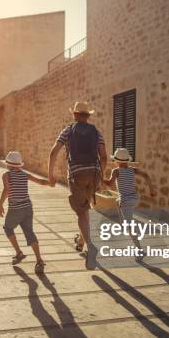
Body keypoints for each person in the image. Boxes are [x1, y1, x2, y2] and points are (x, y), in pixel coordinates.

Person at [48, 101, 107, 270]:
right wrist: (100, 175)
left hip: (77, 174)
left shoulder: (68, 130)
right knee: (85, 208)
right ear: (88, 116)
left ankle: (91, 246)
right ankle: (81, 241)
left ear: (74, 115)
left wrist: (50, 175)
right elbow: (103, 156)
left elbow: (54, 152)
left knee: (81, 212)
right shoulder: (97, 132)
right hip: (94, 173)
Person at [0, 151, 50, 274]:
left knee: (8, 228)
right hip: (28, 208)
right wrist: (50, 182)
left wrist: (0, 204)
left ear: (8, 165)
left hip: (16, 209)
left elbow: (7, 190)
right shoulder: (25, 175)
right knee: (29, 232)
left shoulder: (6, 175)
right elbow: (41, 182)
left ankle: (19, 253)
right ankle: (39, 260)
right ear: (19, 165)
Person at [104, 147, 156, 240]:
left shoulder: (116, 171)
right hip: (135, 199)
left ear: (117, 161)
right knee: (117, 201)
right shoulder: (133, 169)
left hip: (126, 201)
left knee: (130, 227)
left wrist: (100, 178)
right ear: (127, 160)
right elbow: (146, 175)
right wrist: (151, 190)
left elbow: (109, 184)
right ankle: (124, 225)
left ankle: (138, 248)